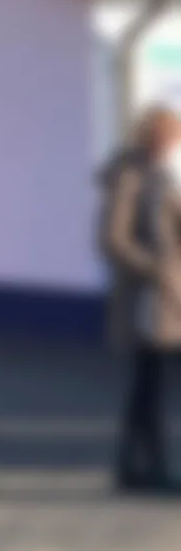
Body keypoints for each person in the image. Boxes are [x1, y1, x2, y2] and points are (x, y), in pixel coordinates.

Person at [100, 104, 181, 493]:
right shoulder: (130, 175)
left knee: (149, 387)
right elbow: (115, 239)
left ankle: (131, 467)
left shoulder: (160, 174)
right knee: (153, 387)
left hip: (165, 302)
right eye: (168, 137)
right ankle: (155, 468)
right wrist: (156, 269)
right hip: (144, 302)